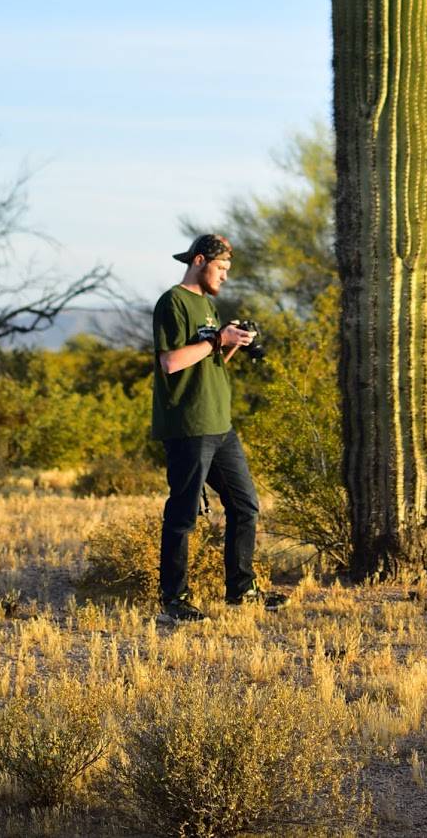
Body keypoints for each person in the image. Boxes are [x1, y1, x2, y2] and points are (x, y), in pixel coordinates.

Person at [151, 232, 285, 621]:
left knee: (245, 505)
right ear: (199, 261)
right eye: (221, 267)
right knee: (183, 513)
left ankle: (241, 591)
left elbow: (208, 364)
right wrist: (216, 341)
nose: (225, 276)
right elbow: (171, 363)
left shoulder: (207, 307)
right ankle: (173, 601)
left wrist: (231, 344)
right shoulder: (173, 302)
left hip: (219, 424)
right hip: (189, 425)